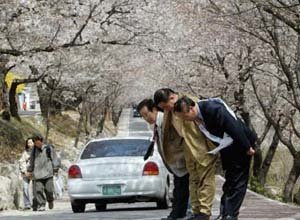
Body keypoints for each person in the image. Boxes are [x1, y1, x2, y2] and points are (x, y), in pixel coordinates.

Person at [173, 96, 257, 220]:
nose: (185, 120)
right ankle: (226, 213)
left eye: (185, 116)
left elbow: (233, 126)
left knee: (237, 181)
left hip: (240, 144)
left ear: (191, 109)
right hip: (227, 146)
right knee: (230, 181)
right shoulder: (199, 115)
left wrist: (247, 147)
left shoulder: (212, 108)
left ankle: (230, 214)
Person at [154, 88, 218, 220]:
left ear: (172, 98)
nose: (166, 110)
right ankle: (196, 211)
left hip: (201, 148)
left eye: (166, 106)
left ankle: (204, 212)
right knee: (193, 181)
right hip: (186, 150)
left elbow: (205, 125)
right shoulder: (169, 111)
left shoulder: (190, 103)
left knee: (205, 180)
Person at [137, 99, 189, 220]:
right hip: (175, 166)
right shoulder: (157, 125)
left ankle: (183, 214)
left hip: (182, 162)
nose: (145, 118)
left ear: (154, 109)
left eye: (146, 114)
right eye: (142, 116)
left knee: (184, 191)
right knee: (179, 191)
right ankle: (177, 214)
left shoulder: (168, 121)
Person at [27, 134, 60, 211]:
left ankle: (50, 200)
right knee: (38, 190)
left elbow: (55, 159)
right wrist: (29, 170)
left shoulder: (48, 148)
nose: (36, 144)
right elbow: (31, 161)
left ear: (41, 141)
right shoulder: (34, 150)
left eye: (37, 142)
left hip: (48, 173)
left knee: (49, 190)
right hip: (37, 174)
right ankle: (42, 204)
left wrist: (55, 169)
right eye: (35, 142)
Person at [19, 138, 34, 210]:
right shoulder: (25, 153)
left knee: (35, 189)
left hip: (35, 173)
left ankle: (35, 203)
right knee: (25, 188)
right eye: (28, 143)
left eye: (31, 142)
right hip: (26, 173)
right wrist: (25, 171)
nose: (30, 144)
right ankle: (27, 204)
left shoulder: (37, 152)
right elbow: (22, 162)